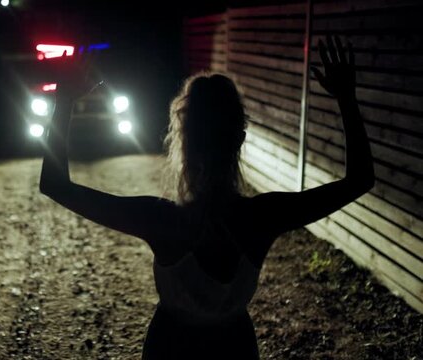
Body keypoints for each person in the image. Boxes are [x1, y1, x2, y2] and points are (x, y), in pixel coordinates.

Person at [39, 35, 374, 359]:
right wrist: (346, 98)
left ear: (182, 141)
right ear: (240, 139)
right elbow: (359, 180)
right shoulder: (262, 217)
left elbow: (55, 185)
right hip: (236, 349)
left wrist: (65, 99)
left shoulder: (160, 220)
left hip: (169, 349)